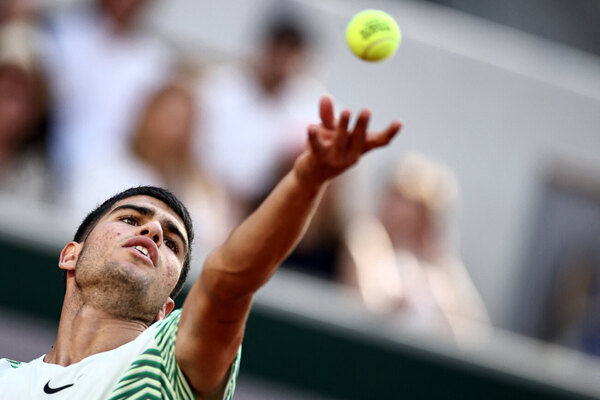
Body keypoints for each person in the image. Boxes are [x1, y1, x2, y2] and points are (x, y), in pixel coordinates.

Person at [0, 96, 401, 399]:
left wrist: (307, 180)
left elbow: (227, 282)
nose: (153, 231)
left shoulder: (166, 356)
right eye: (129, 219)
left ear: (166, 313)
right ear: (71, 254)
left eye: (172, 242)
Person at [344, 154, 489, 341]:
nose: (397, 213)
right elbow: (358, 304)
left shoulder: (439, 265)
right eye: (394, 199)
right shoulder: (365, 242)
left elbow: (474, 330)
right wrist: (393, 307)